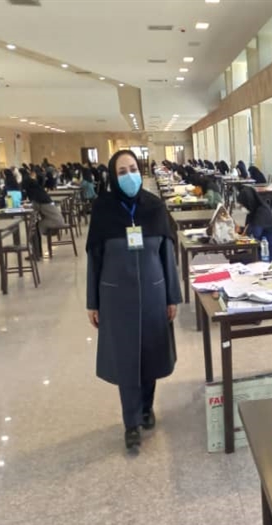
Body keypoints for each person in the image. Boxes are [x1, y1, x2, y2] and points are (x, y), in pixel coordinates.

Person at [86, 150, 183, 450]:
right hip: (116, 297)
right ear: (113, 177)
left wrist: (172, 297)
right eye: (122, 171)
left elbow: (167, 255)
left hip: (154, 293)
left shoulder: (155, 207)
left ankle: (146, 407)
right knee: (127, 359)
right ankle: (131, 422)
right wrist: (92, 302)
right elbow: (94, 259)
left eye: (133, 169)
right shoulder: (103, 210)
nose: (129, 176)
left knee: (150, 354)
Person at [237, 187, 272, 260]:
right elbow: (251, 228)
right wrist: (240, 229)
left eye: (243, 205)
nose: (242, 208)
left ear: (248, 202)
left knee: (237, 259)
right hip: (259, 247)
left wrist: (245, 231)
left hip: (266, 252)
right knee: (236, 257)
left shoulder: (262, 212)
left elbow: (255, 234)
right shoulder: (254, 210)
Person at [20, 168, 65, 235]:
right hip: (58, 219)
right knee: (36, 225)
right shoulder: (42, 194)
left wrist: (27, 206)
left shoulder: (36, 196)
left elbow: (35, 207)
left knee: (34, 227)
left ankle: (33, 241)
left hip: (53, 221)